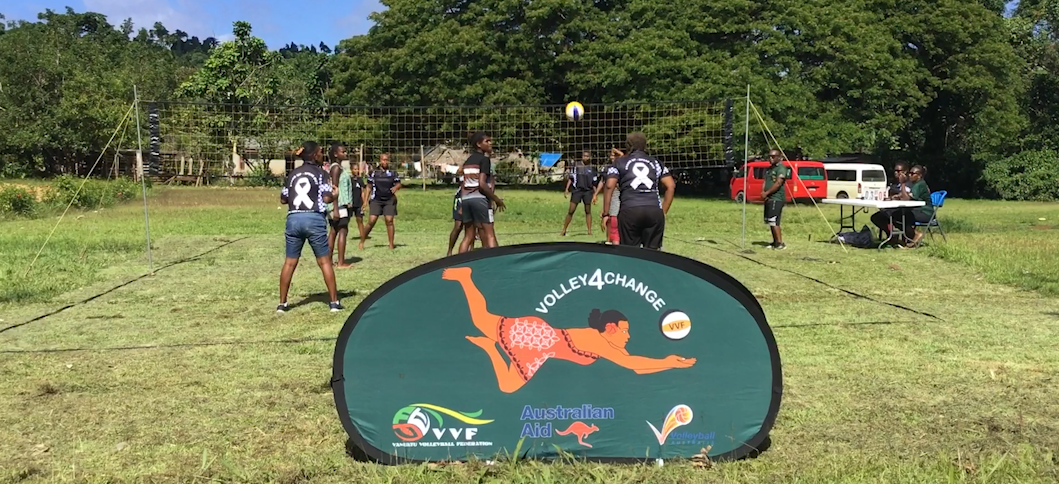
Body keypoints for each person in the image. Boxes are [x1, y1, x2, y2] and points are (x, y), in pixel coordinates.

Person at [442, 266, 696, 393]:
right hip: (538, 337)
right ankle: (465, 277)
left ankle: (489, 346)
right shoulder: (597, 341)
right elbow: (632, 364)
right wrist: (668, 362)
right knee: (481, 321)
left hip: (541, 348)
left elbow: (638, 368)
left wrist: (667, 363)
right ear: (609, 327)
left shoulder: (605, 345)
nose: (628, 335)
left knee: (507, 385)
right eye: (624, 330)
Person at [277, 141, 343, 313]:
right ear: (314, 155)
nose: (322, 155)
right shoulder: (321, 173)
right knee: (324, 261)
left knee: (290, 262)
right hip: (313, 218)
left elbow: (283, 199)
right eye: (320, 152)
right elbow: (327, 198)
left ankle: (282, 304)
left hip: (293, 219)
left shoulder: (292, 174)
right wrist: (335, 194)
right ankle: (334, 303)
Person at [602, 132, 675, 250]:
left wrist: (606, 213)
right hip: (653, 210)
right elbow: (671, 186)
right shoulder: (656, 163)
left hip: (630, 210)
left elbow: (610, 186)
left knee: (630, 254)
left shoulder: (619, 162)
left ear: (628, 146)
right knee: (653, 254)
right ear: (645, 146)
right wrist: (663, 211)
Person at [457, 132, 506, 253]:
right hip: (480, 199)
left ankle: (458, 262)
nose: (490, 143)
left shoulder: (468, 161)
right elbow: (482, 184)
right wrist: (497, 200)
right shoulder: (484, 160)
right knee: (490, 233)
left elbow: (464, 184)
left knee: (468, 236)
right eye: (487, 141)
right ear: (479, 144)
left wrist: (462, 203)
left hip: (467, 199)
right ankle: (496, 261)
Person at [326, 143, 358, 268]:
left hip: (339, 205)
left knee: (334, 231)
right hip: (338, 206)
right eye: (342, 152)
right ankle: (340, 262)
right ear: (335, 154)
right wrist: (335, 209)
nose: (345, 154)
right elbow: (334, 188)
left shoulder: (338, 167)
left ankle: (329, 261)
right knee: (342, 231)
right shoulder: (336, 168)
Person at [888, 164, 935, 247]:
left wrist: (902, 183)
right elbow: (910, 195)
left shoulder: (919, 184)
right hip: (918, 210)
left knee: (898, 216)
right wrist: (898, 196)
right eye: (909, 173)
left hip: (926, 213)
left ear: (919, 175)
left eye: (912, 174)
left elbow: (907, 199)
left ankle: (915, 235)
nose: (909, 175)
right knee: (897, 215)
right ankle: (908, 237)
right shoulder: (916, 184)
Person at [362, 153, 402, 250]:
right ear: (380, 160)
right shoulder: (374, 172)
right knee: (371, 221)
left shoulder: (393, 172)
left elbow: (399, 183)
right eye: (383, 160)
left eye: (387, 160)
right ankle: (362, 240)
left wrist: (396, 187)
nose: (385, 162)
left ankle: (391, 244)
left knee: (389, 221)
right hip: (376, 199)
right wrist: (365, 201)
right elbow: (368, 187)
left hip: (389, 200)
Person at [560, 151, 600, 237]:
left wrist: (595, 194)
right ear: (582, 156)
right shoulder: (576, 165)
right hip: (577, 190)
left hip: (588, 191)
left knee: (588, 211)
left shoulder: (592, 167)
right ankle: (564, 230)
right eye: (584, 156)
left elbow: (594, 182)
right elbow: (571, 178)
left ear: (590, 157)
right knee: (571, 211)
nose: (585, 157)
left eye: (587, 156)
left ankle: (589, 231)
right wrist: (567, 189)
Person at [871, 161, 911, 240]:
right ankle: (891, 234)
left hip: (904, 209)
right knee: (877, 217)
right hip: (893, 207)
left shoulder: (908, 183)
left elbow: (906, 196)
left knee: (885, 215)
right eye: (895, 171)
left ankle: (902, 234)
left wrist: (896, 196)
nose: (896, 173)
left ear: (905, 172)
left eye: (898, 171)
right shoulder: (894, 183)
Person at [761, 149, 790, 250]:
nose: (770, 158)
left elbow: (778, 183)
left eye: (773, 156)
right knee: (770, 221)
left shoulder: (781, 168)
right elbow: (765, 181)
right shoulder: (769, 169)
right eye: (769, 156)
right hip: (769, 198)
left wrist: (767, 193)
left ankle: (780, 243)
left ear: (779, 157)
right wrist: (763, 192)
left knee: (774, 221)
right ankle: (775, 242)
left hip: (776, 198)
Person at [596, 148, 623, 244]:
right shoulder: (608, 168)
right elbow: (603, 182)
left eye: (614, 155)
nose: (612, 157)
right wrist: (595, 194)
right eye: (611, 155)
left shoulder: (624, 167)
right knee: (610, 221)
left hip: (620, 199)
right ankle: (609, 240)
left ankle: (614, 242)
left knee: (615, 222)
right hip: (611, 199)